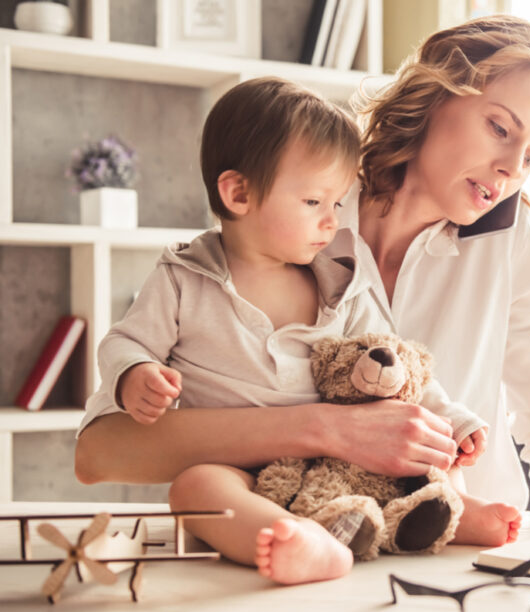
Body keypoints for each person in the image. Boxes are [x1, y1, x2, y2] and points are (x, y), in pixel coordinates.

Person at [76, 14, 530, 575]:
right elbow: (102, 451)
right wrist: (329, 428)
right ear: (437, 94)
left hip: (463, 564)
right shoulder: (301, 205)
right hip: (300, 563)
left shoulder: (516, 244)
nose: (514, 169)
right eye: (501, 128)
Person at [77, 76, 507, 586]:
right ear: (238, 192)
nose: (331, 222)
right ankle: (298, 541)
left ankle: (452, 514)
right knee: (193, 490)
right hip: (237, 468)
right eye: (313, 203)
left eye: (336, 203)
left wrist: (453, 420)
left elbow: (398, 363)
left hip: (335, 468)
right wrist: (136, 374)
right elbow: (124, 341)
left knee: (423, 458)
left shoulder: (341, 281)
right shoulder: (183, 278)